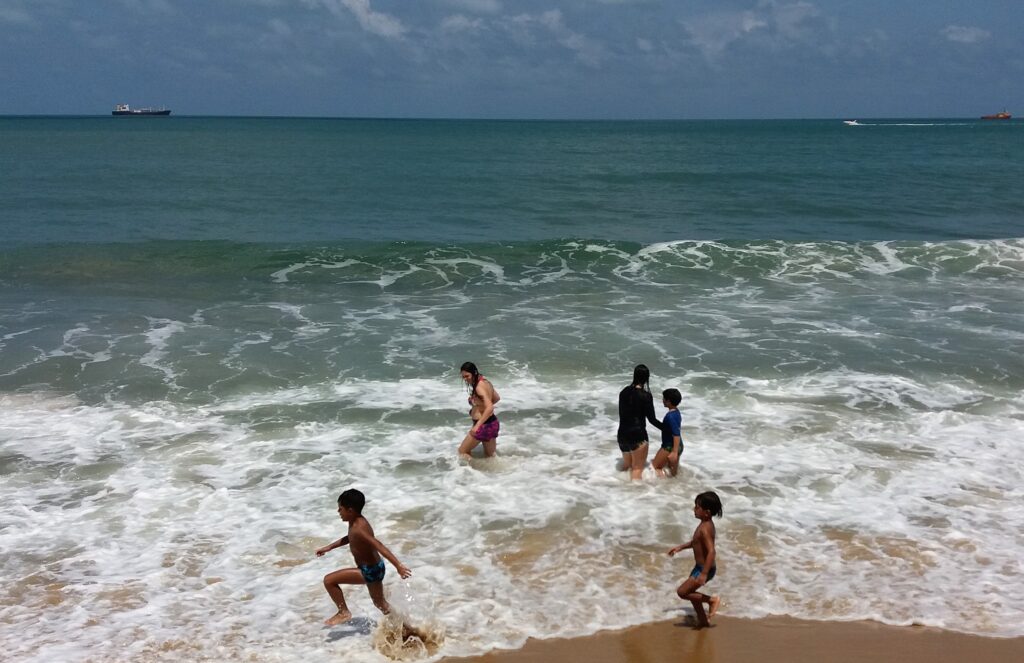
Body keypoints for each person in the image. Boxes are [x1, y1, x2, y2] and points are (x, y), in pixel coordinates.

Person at [316, 488, 412, 626]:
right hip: (377, 567)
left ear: (350, 510)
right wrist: (329, 547)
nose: (338, 512)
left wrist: (398, 566)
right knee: (380, 603)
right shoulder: (356, 522)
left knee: (329, 581)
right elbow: (350, 538)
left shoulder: (358, 528)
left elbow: (379, 545)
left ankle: (343, 612)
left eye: (340, 509)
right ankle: (403, 626)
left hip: (369, 571)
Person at [667, 491, 723, 628]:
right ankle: (703, 621)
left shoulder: (705, 529)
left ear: (707, 512)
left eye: (697, 507)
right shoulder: (705, 524)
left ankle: (712, 601)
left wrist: (704, 573)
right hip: (700, 567)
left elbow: (711, 551)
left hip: (704, 569)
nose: (694, 509)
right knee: (692, 595)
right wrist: (681, 547)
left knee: (682, 592)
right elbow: (696, 543)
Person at [616, 364, 662, 480]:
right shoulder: (646, 396)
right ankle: (634, 496)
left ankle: (616, 492)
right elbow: (652, 420)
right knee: (637, 469)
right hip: (638, 436)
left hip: (622, 435)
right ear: (646, 378)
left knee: (626, 467)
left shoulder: (624, 392)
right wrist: (666, 428)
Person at [458, 361, 501, 459]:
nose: (465, 379)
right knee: (489, 457)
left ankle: (471, 472)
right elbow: (497, 398)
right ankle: (493, 473)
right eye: (463, 377)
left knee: (462, 451)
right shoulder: (486, 382)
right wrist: (481, 407)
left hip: (483, 426)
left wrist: (477, 426)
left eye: (467, 376)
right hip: (492, 423)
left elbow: (490, 407)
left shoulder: (478, 387)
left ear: (474, 372)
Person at [652, 388, 683, 478]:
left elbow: (676, 434)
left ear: (668, 401)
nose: (662, 400)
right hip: (679, 445)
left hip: (670, 446)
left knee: (655, 467)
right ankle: (672, 487)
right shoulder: (676, 412)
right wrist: (653, 421)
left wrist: (674, 452)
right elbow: (667, 428)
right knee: (672, 473)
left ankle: (662, 487)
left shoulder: (670, 417)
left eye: (664, 398)